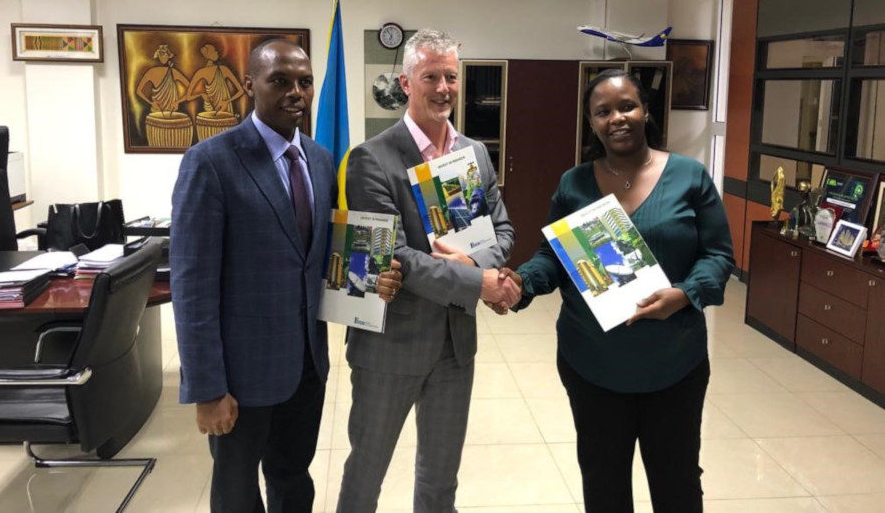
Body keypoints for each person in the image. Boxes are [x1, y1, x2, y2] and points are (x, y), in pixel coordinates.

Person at [170, 39, 402, 513]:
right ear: (248, 84)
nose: (296, 92)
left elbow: (316, 259)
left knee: (293, 478)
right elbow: (192, 288)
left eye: (305, 81)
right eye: (280, 81)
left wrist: (370, 276)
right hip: (240, 374)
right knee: (236, 490)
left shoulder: (319, 159)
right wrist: (208, 388)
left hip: (306, 366)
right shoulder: (211, 162)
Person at [500, 68, 733, 513]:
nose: (616, 118)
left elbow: (718, 256)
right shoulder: (574, 184)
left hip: (674, 364)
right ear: (591, 123)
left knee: (678, 481)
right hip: (592, 364)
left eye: (626, 106)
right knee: (603, 484)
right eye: (602, 111)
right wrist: (522, 282)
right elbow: (552, 256)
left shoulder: (690, 177)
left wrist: (684, 294)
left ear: (645, 110)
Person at [336, 29, 519, 513]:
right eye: (431, 76)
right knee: (365, 478)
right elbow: (392, 255)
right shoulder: (371, 158)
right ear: (406, 81)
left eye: (452, 77)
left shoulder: (474, 153)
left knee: (440, 483)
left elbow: (502, 229)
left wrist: (475, 263)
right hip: (390, 346)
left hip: (455, 348)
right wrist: (477, 282)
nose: (443, 88)